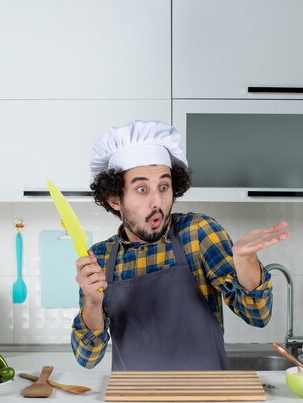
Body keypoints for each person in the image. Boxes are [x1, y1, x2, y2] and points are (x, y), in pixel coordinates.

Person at [70, 120, 289, 370]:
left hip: (204, 401)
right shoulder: (100, 257)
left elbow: (258, 315)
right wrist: (93, 303)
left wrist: (246, 261)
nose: (157, 201)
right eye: (142, 189)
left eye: (164, 186)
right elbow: (87, 358)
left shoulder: (197, 234)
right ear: (114, 200)